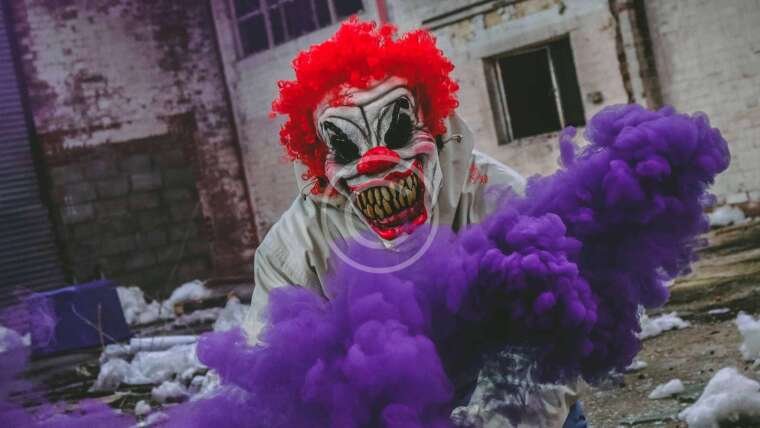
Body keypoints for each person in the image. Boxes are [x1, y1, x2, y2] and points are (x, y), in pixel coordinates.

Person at [243, 18, 585, 427]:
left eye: (399, 130)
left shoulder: (496, 195)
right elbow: (276, 374)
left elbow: (550, 333)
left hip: (508, 393)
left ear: (435, 126)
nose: (376, 162)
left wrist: (493, 421)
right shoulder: (292, 248)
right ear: (319, 157)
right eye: (346, 147)